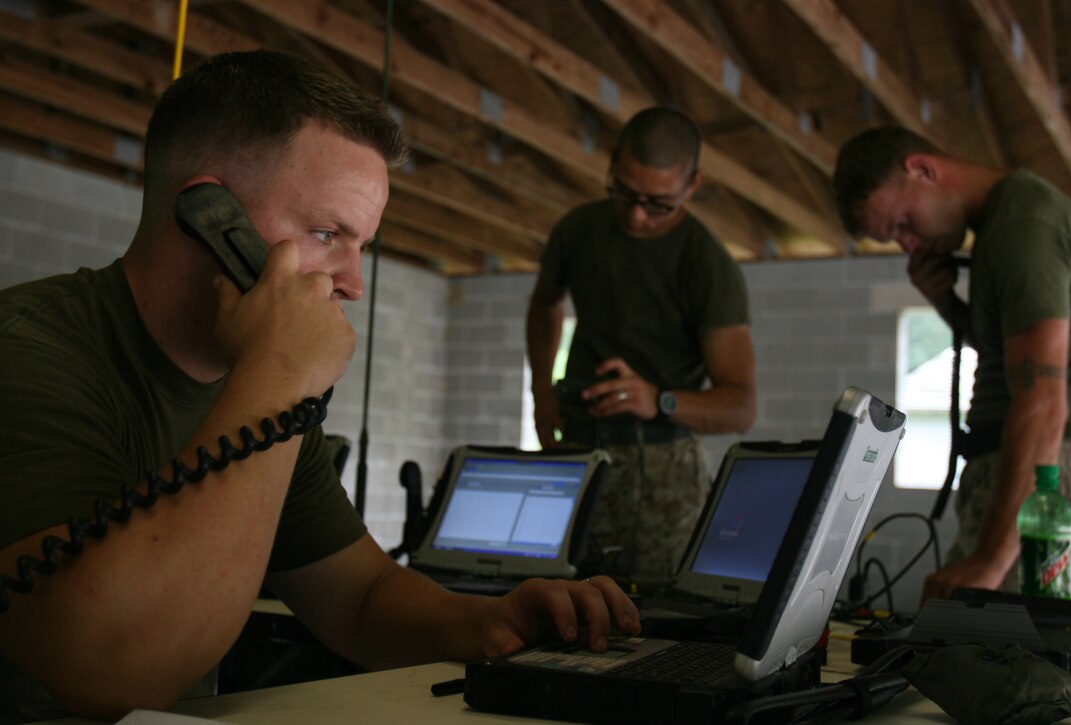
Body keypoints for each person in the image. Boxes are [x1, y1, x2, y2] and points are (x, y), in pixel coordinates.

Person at [0, 50, 640, 722]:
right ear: (208, 213)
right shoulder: (30, 354)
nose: (354, 284)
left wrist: (487, 621)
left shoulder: (262, 390)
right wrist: (277, 376)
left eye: (361, 246)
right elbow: (114, 674)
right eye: (327, 232)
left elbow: (359, 598)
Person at [833, 126, 1071, 608]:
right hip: (1025, 474)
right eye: (896, 238)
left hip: (1046, 477)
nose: (910, 245)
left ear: (923, 170)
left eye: (904, 223)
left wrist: (991, 560)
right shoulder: (1003, 223)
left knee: (1015, 653)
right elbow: (1009, 356)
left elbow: (1042, 402)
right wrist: (944, 301)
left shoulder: (1021, 226)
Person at [526, 108, 757, 585]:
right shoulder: (578, 229)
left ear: (692, 184)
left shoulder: (708, 266)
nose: (636, 214)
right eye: (626, 193)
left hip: (664, 477)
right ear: (613, 161)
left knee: (654, 614)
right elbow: (544, 303)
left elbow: (741, 407)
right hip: (577, 456)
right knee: (559, 602)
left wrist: (659, 400)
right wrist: (542, 390)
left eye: (658, 204)